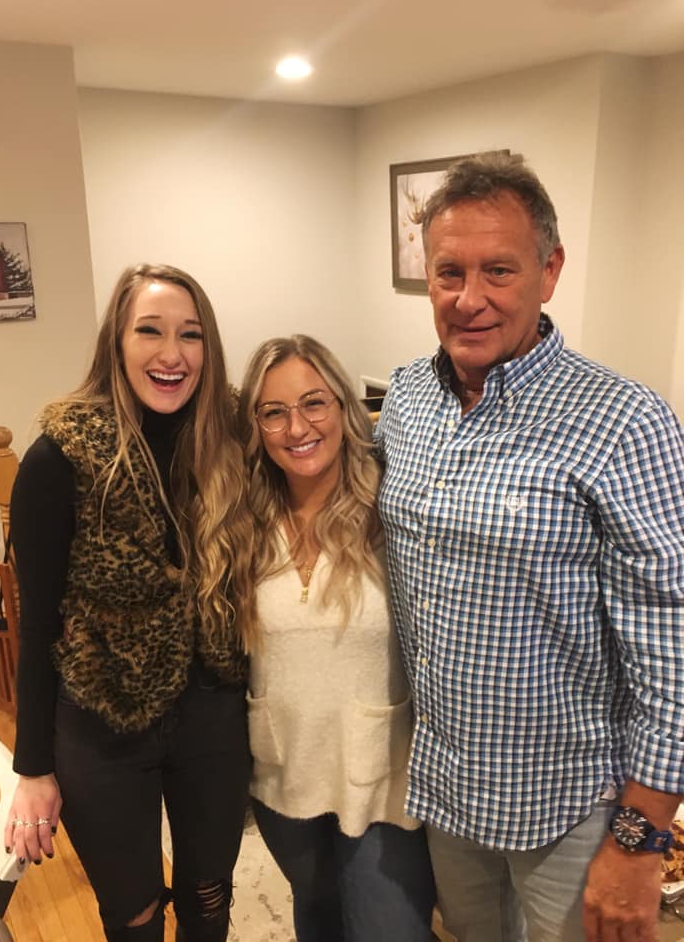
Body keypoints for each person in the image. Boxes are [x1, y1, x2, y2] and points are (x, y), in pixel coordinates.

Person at [375, 151, 684, 942]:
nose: (469, 299)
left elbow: (672, 650)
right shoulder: (406, 398)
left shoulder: (626, 422)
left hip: (570, 808)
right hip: (446, 788)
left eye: (499, 271)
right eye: (449, 272)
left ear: (549, 272)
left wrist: (640, 842)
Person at [4, 264, 256, 942]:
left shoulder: (231, 442)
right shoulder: (59, 459)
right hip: (101, 721)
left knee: (209, 898)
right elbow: (37, 623)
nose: (172, 354)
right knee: (133, 915)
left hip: (212, 714)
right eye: (150, 331)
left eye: (190, 334)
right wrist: (32, 767)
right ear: (116, 341)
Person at [237, 335, 436, 942]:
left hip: (383, 779)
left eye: (314, 403)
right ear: (257, 427)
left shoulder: (392, 507)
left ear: (344, 407)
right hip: (283, 774)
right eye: (274, 412)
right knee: (318, 919)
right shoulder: (243, 519)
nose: (297, 427)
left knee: (390, 929)